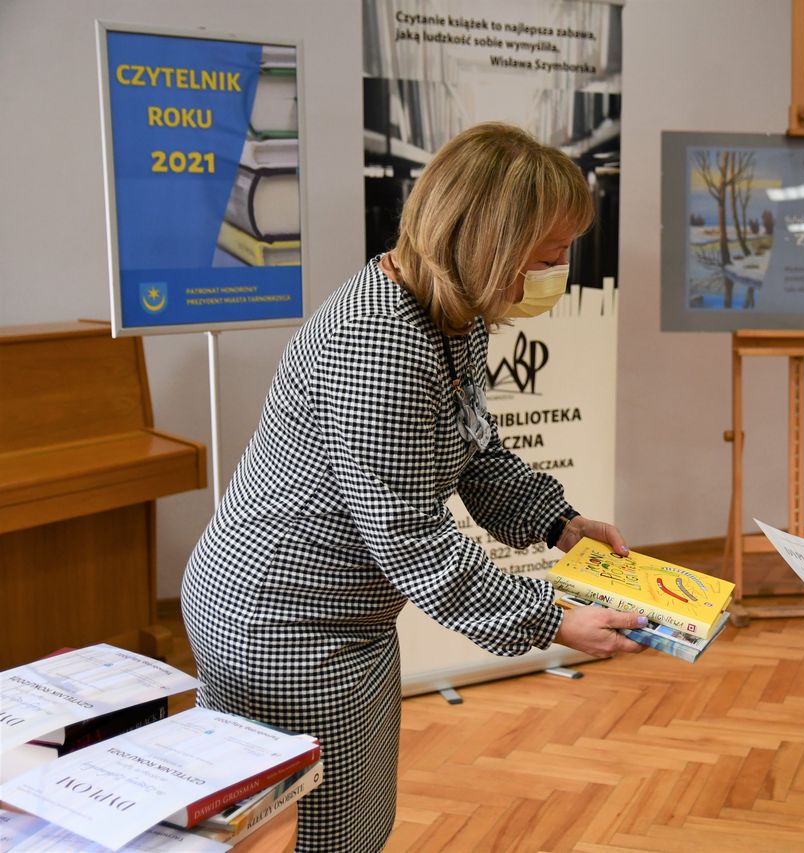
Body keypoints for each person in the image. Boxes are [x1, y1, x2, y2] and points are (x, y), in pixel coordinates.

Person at [181, 123, 645, 853]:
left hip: (342, 616)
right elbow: (411, 538)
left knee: (352, 820)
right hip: (284, 621)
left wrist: (558, 522)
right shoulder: (380, 342)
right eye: (550, 255)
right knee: (325, 832)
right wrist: (549, 620)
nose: (561, 270)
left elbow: (474, 450)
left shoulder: (451, 313)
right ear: (489, 243)